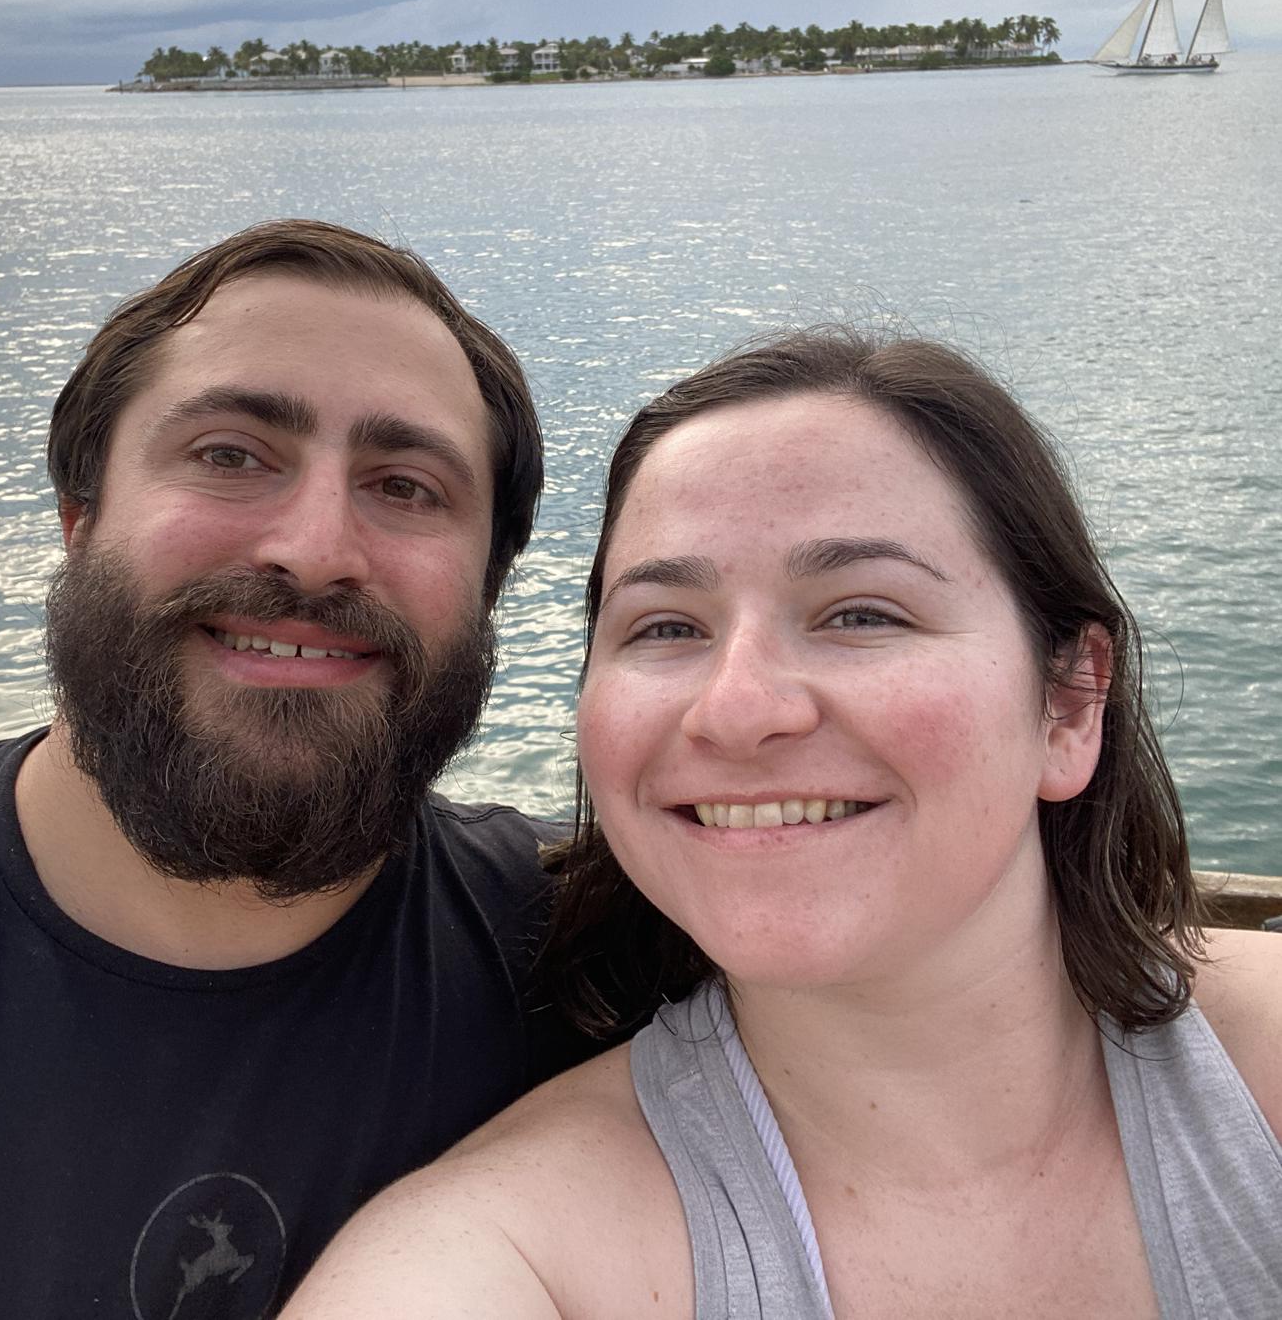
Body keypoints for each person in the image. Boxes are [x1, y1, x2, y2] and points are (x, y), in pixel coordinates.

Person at [284, 327, 1282, 1319]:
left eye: (862, 613)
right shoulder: (509, 1259)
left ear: (1068, 704)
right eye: (666, 626)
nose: (736, 707)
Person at [0, 219, 597, 1316]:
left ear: (487, 588)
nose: (314, 549)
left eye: (405, 486)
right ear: (80, 519)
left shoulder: (605, 967)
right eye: (230, 455)